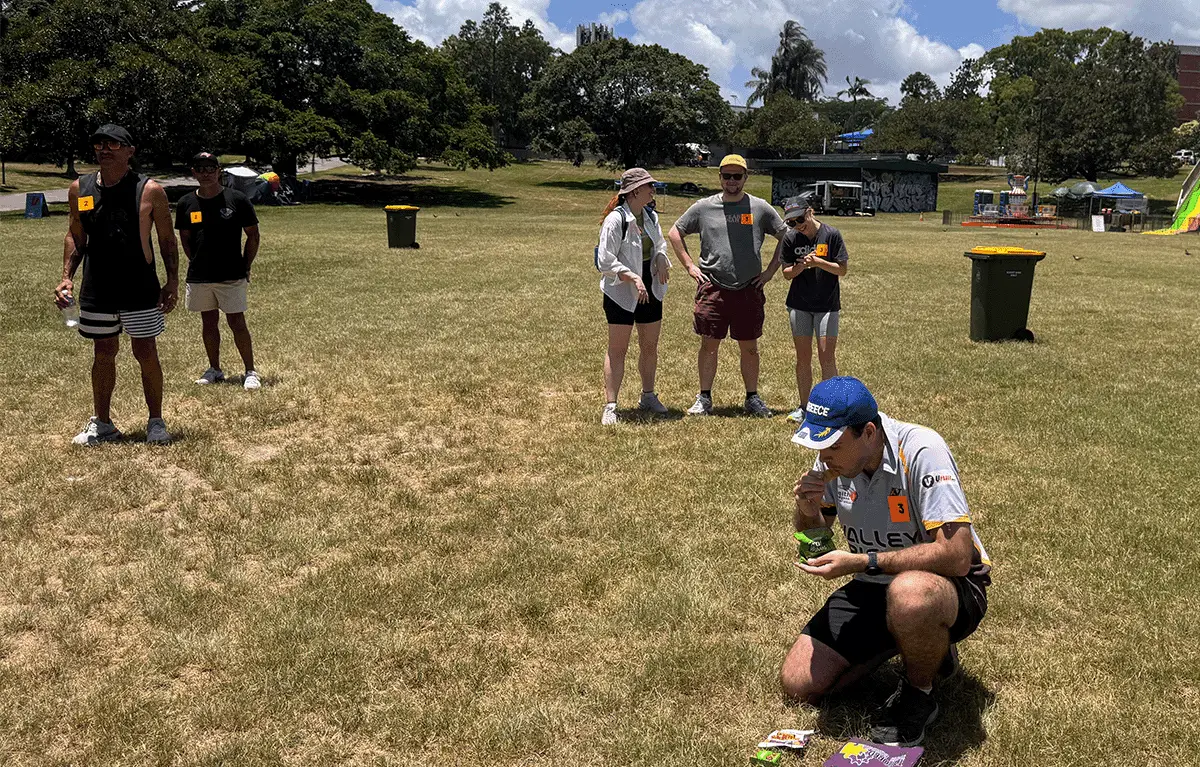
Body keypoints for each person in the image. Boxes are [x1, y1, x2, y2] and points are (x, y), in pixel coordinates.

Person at [782, 376, 991, 747]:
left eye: (833, 445)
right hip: (873, 583)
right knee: (799, 685)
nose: (824, 456)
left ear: (868, 432)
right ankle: (921, 646)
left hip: (944, 585)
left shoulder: (922, 450)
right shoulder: (833, 461)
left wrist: (864, 561)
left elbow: (957, 556)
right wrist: (808, 512)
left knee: (910, 594)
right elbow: (815, 543)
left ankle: (919, 690)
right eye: (819, 446)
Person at [54, 124, 179, 445]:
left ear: (130, 151)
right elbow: (75, 235)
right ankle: (103, 423)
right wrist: (66, 277)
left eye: (113, 144)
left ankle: (156, 422)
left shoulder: (149, 190)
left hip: (139, 286)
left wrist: (172, 281)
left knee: (145, 351)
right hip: (97, 288)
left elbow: (167, 240)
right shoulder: (79, 189)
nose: (104, 149)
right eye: (99, 144)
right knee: (103, 352)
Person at [667, 154, 787, 416]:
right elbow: (675, 232)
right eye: (727, 176)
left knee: (750, 347)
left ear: (746, 178)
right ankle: (704, 398)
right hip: (713, 287)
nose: (732, 181)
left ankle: (752, 398)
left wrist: (769, 272)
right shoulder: (703, 207)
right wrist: (689, 266)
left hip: (749, 289)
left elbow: (785, 236)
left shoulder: (760, 208)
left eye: (737, 176)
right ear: (719, 177)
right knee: (709, 345)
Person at [174, 152, 262, 389]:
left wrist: (246, 264)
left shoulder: (237, 199)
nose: (206, 173)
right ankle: (214, 369)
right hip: (200, 275)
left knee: (237, 322)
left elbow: (253, 235)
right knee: (208, 322)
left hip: (231, 272)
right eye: (200, 168)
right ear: (194, 172)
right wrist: (196, 261)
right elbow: (185, 238)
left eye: (210, 168)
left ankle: (250, 371)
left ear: (218, 171)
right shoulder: (185, 203)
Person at [595, 167, 671, 425]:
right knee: (618, 349)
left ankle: (648, 395)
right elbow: (605, 261)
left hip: (650, 287)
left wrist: (660, 257)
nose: (653, 190)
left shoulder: (650, 216)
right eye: (649, 186)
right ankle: (611, 406)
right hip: (621, 290)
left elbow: (660, 244)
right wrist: (633, 277)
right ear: (635, 191)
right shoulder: (615, 220)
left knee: (650, 346)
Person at [778, 196, 849, 423]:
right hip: (799, 305)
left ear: (810, 212)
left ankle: (831, 408)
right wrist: (801, 266)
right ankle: (804, 407)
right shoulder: (790, 238)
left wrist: (819, 262)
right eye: (791, 222)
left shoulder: (831, 234)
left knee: (826, 356)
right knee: (803, 357)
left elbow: (842, 269)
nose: (797, 225)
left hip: (827, 305)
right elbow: (786, 273)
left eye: (800, 219)